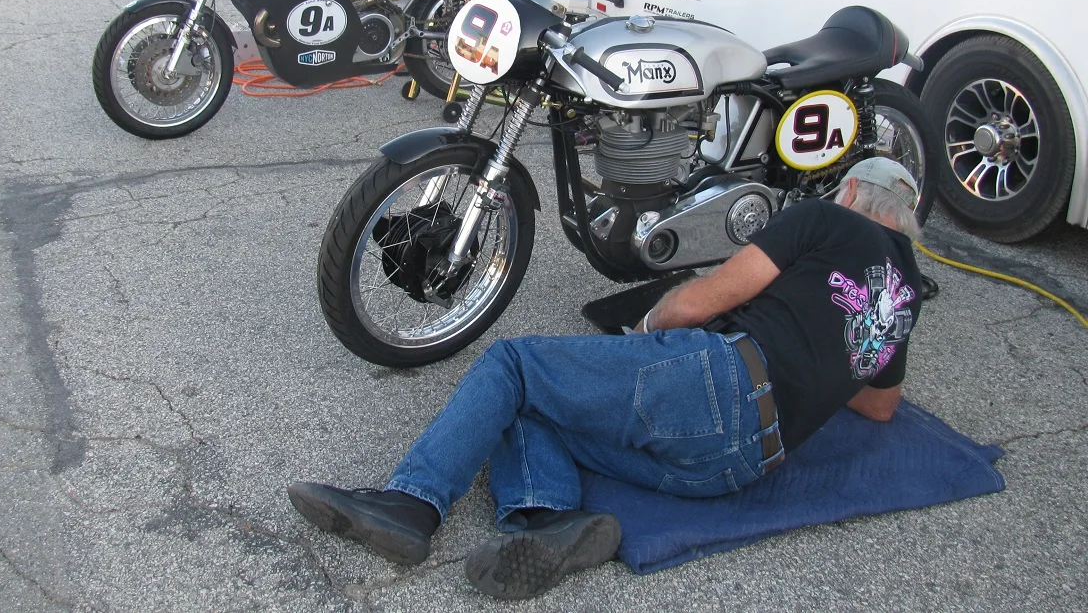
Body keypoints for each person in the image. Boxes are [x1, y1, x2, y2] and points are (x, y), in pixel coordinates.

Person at [287, 157, 925, 600]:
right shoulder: (906, 296)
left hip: (718, 382)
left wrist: (644, 330)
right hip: (739, 465)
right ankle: (545, 521)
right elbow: (880, 406)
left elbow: (698, 304)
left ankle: (412, 504)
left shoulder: (829, 220)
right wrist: (822, 356)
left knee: (514, 365)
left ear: (849, 192)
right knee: (533, 403)